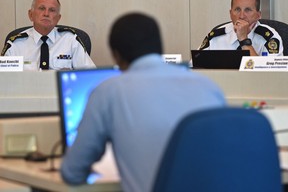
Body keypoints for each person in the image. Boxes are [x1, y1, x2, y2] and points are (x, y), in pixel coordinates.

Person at [60, 12, 226, 192]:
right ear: (159, 47)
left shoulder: (108, 92)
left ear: (116, 55)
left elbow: (72, 173)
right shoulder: (208, 87)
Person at [1, 0, 95, 70]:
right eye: (41, 8)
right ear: (31, 14)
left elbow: (90, 75)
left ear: (58, 18)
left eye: (52, 10)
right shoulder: (15, 45)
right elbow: (5, 81)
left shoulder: (71, 41)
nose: (46, 14)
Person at [198, 0, 284, 56]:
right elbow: (195, 67)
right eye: (237, 10)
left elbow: (270, 75)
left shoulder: (270, 38)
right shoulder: (215, 37)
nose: (242, 16)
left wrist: (244, 40)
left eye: (248, 10)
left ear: (258, 15)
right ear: (230, 14)